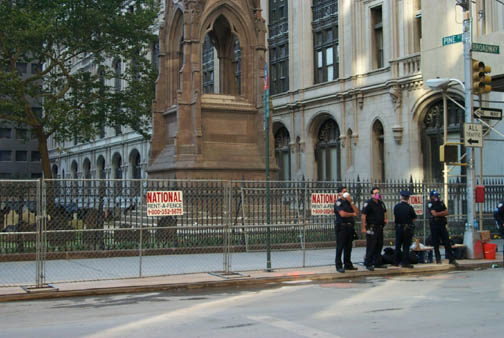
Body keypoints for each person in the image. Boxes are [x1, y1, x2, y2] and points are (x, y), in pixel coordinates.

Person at [361, 187, 388, 271]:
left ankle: (377, 262)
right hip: (371, 227)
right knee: (371, 246)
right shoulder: (368, 203)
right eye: (376, 193)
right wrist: (363, 227)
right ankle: (368, 262)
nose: (377, 195)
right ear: (372, 194)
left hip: (380, 227)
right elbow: (363, 215)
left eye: (378, 193)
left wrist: (385, 219)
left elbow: (385, 211)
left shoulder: (381, 203)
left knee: (379, 245)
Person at [428, 190, 457, 265]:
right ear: (431, 197)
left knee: (446, 241)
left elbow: (447, 212)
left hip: (442, 224)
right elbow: (434, 214)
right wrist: (441, 213)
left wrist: (439, 213)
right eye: (435, 196)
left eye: (437, 196)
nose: (436, 197)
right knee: (436, 242)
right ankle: (438, 259)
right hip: (434, 224)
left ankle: (451, 259)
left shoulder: (441, 203)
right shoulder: (430, 204)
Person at [334, 187, 359, 273]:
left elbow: (357, 211)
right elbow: (342, 214)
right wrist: (352, 214)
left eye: (346, 191)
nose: (346, 193)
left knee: (348, 247)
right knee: (340, 246)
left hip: (349, 227)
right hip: (341, 227)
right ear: (339, 194)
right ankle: (338, 265)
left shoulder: (349, 202)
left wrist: (351, 202)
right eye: (344, 191)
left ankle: (348, 264)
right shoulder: (338, 202)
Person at [393, 190, 417, 268]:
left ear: (401, 197)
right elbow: (414, 218)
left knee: (398, 245)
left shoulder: (396, 206)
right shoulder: (409, 207)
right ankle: (404, 262)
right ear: (408, 198)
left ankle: (396, 261)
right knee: (406, 246)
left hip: (399, 228)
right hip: (407, 228)